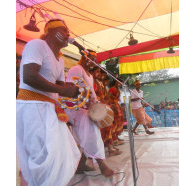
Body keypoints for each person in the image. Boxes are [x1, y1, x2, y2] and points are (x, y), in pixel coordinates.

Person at [16, 19, 81, 186]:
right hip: (32, 106)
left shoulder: (60, 60)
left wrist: (72, 89)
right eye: (65, 30)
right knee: (42, 156)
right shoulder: (37, 45)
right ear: (51, 32)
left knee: (63, 152)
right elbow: (29, 76)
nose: (68, 34)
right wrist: (63, 90)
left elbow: (59, 87)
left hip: (50, 109)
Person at [65, 54, 115, 177]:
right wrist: (85, 100)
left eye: (94, 59)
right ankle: (102, 166)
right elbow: (69, 89)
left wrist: (96, 103)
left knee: (83, 137)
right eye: (90, 58)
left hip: (85, 108)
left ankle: (81, 164)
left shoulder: (90, 75)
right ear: (84, 57)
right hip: (74, 108)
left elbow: (91, 93)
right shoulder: (76, 69)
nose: (92, 61)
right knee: (91, 133)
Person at [108, 79, 125, 146]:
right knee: (115, 122)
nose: (120, 83)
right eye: (119, 82)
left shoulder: (117, 89)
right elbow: (108, 97)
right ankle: (115, 140)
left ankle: (117, 137)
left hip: (117, 105)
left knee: (119, 122)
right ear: (115, 81)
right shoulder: (112, 88)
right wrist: (112, 105)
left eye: (121, 82)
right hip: (113, 106)